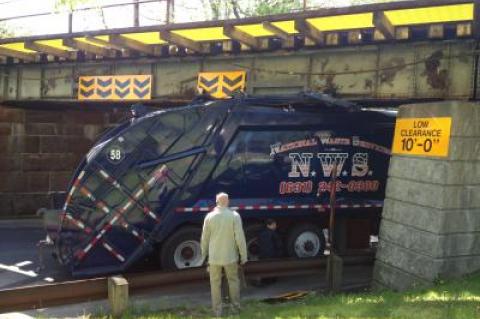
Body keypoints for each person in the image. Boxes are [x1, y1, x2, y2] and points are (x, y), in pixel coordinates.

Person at [201, 192, 248, 317]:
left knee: (215, 284)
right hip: (230, 257)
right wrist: (243, 256)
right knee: (233, 281)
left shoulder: (209, 217)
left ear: (216, 202)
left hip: (214, 258)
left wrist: (204, 255)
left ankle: (217, 312)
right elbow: (240, 237)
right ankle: (235, 309)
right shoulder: (234, 216)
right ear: (228, 202)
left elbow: (204, 238)